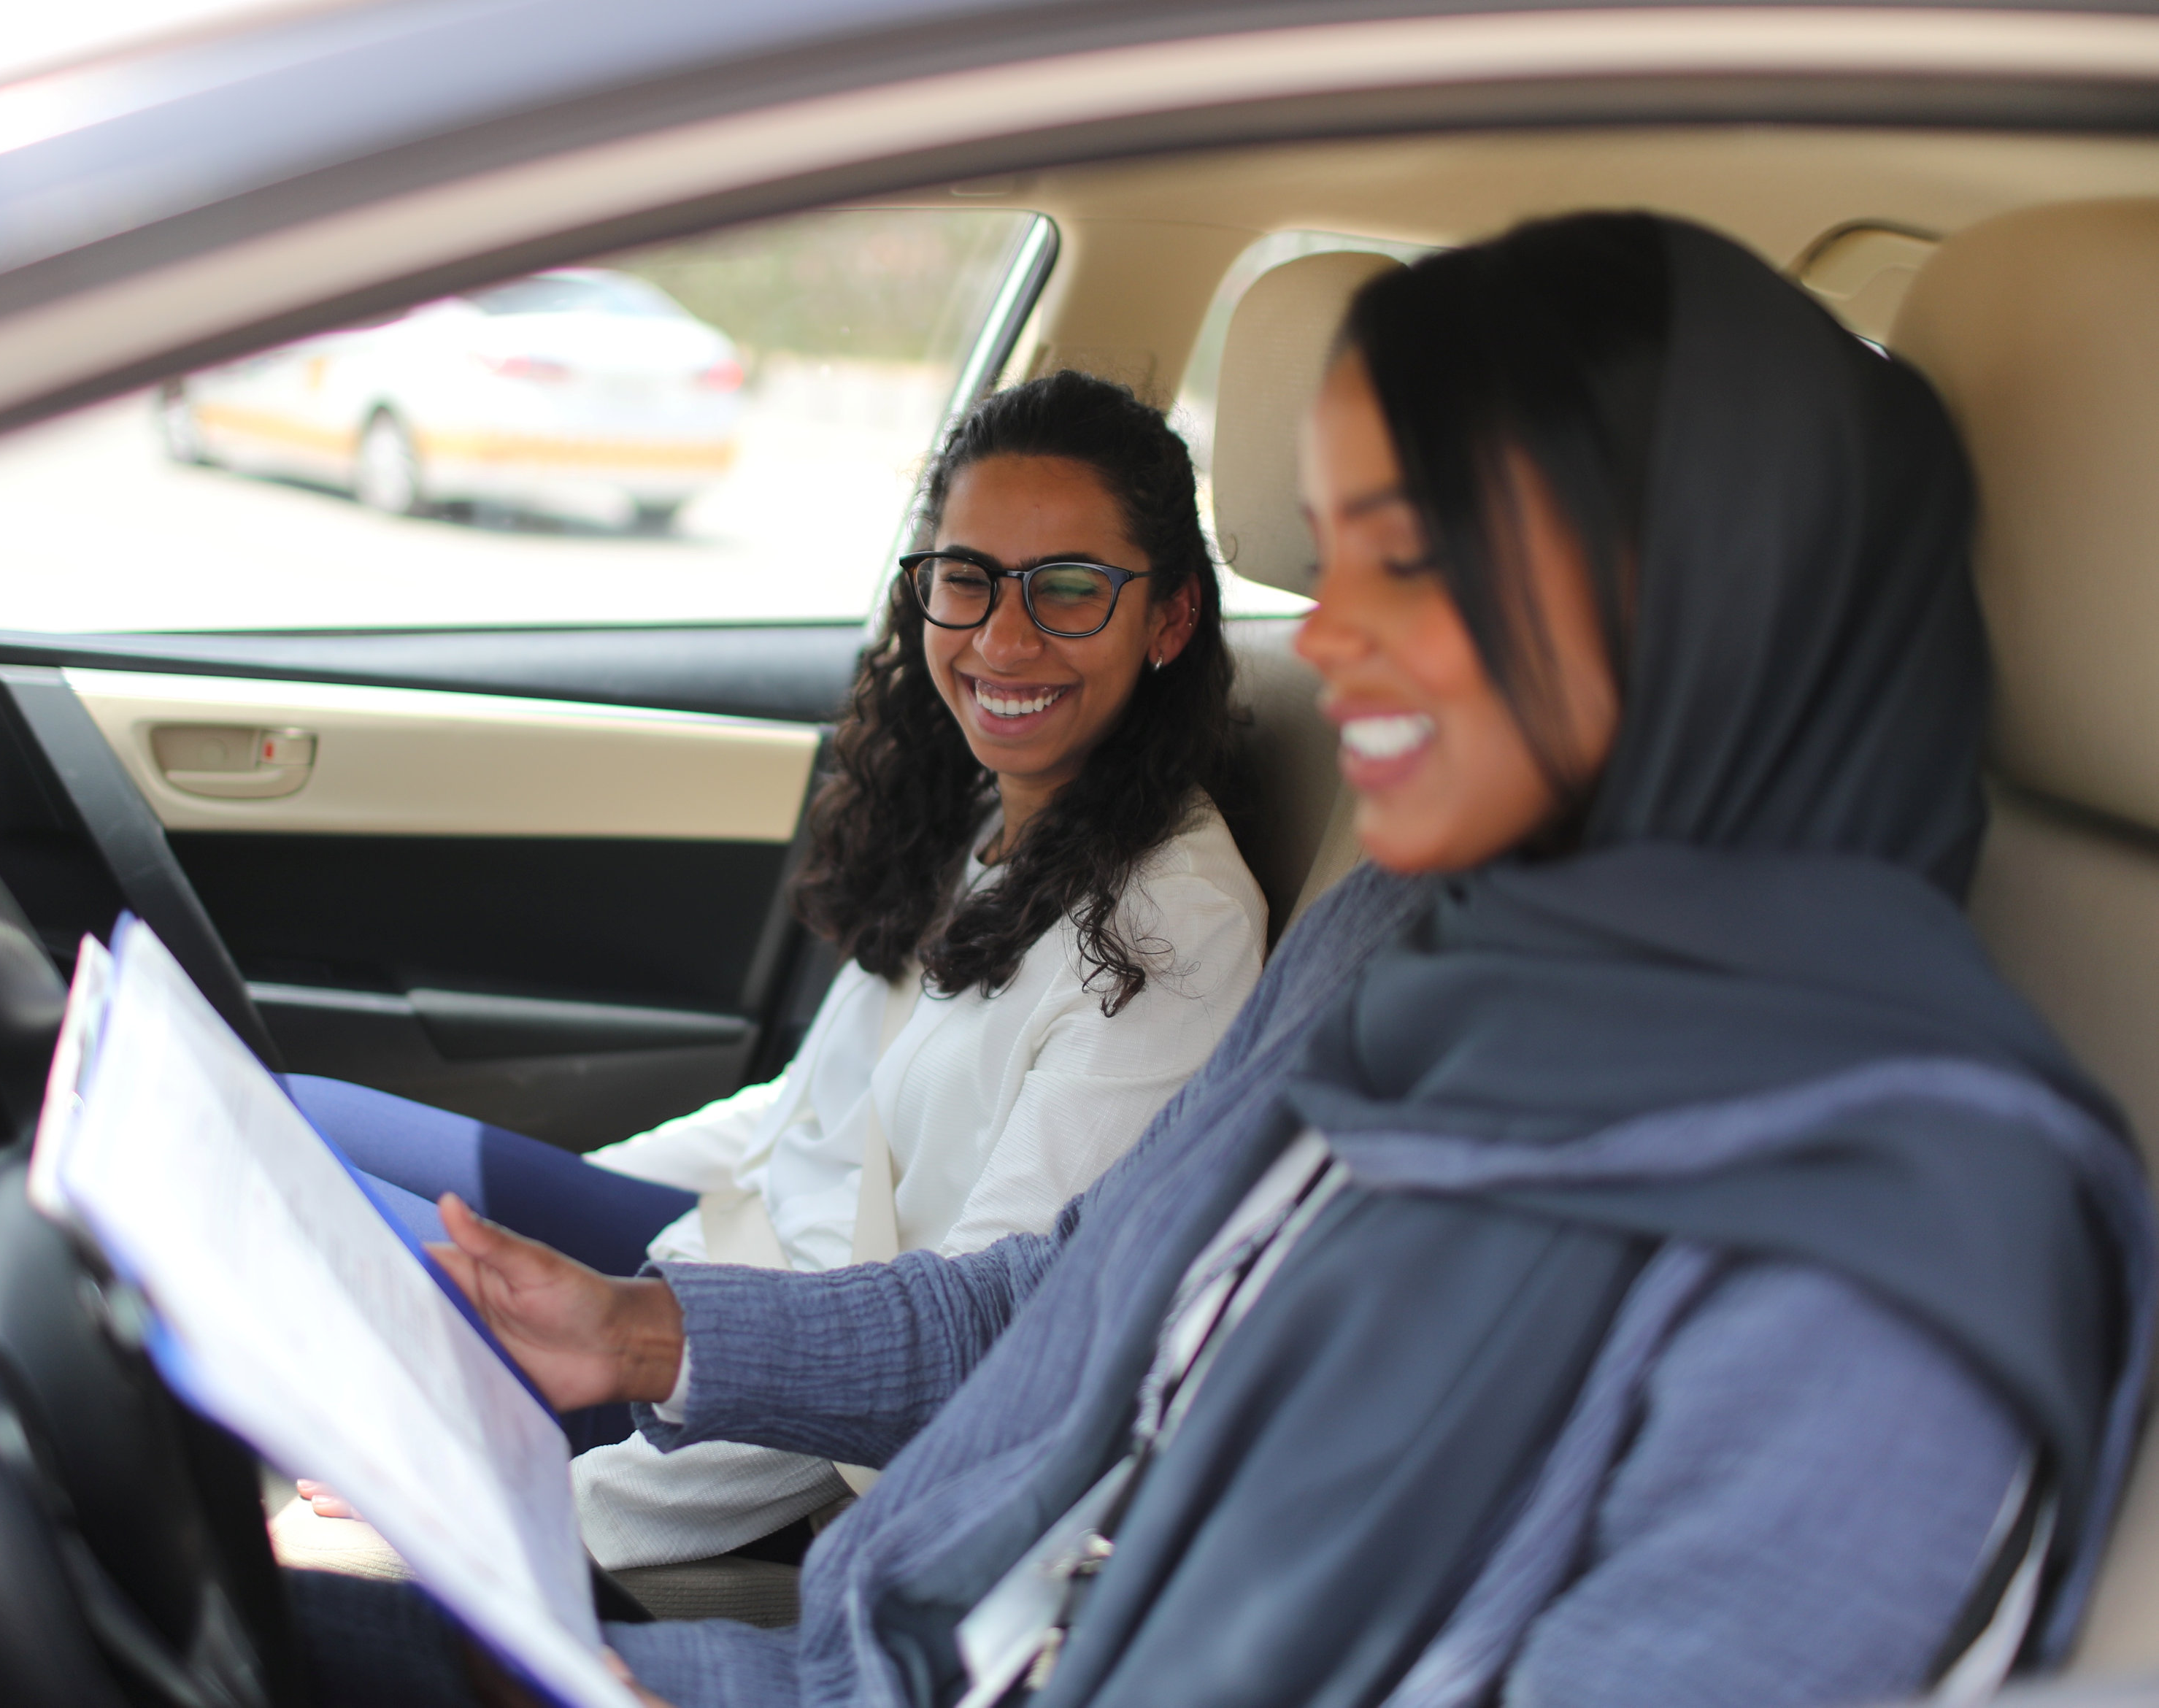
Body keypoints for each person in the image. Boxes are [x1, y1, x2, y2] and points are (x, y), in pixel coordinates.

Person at [296, 212, 2154, 1708]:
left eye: (1411, 560)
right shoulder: (1415, 941)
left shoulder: (1895, 1266)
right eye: (1330, 554)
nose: (1327, 637)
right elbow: (1066, 1309)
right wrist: (640, 1333)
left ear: (1711, 597)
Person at [285, 369, 1269, 1562]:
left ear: (1168, 619)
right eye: (967, 581)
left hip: (746, 1400)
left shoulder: (1170, 932)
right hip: (704, 1261)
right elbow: (805, 1120)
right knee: (284, 1130)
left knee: (276, 1231)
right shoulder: (1002, 812)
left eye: (1068, 590)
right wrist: (567, 1219)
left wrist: (547, 1506)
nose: (1005, 638)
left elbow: (948, 1343)